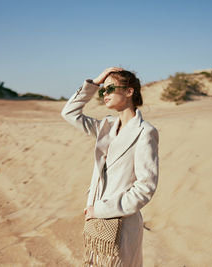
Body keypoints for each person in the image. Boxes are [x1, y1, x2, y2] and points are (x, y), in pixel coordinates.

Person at [61, 67, 159, 266]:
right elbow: (69, 113)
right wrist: (94, 83)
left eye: (110, 88)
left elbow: (145, 188)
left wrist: (101, 209)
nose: (104, 94)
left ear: (129, 91)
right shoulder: (105, 126)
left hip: (122, 223)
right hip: (97, 223)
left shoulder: (145, 132)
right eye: (103, 91)